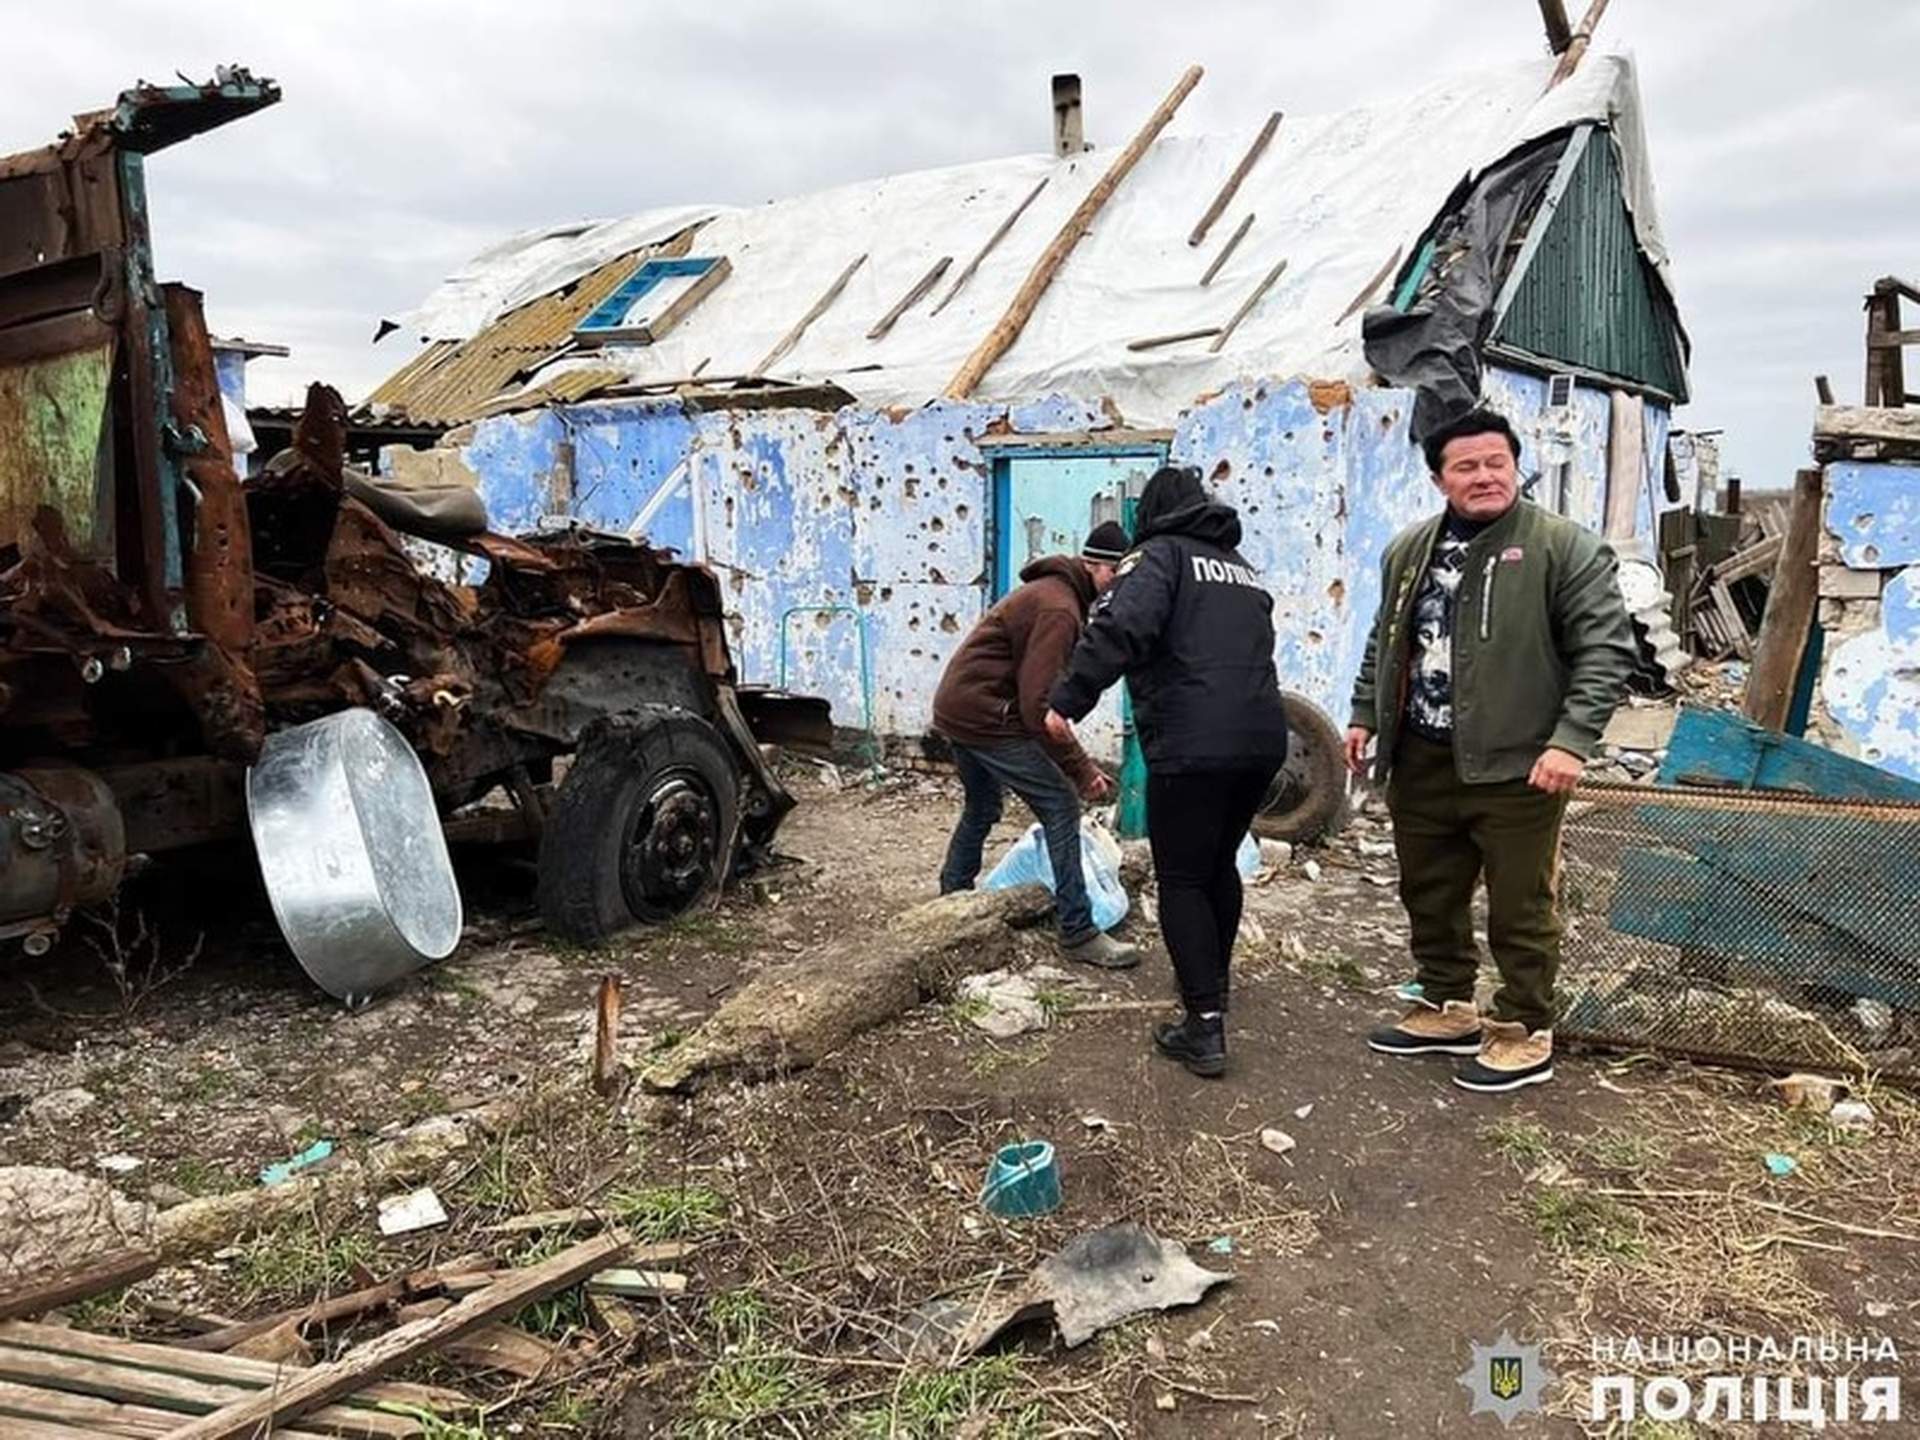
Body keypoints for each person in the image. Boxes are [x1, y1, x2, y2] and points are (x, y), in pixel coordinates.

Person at [1346, 408, 1636, 1093]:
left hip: (1520, 764)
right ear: (1440, 479)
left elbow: (1606, 652)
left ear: (1515, 465)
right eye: (1466, 467)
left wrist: (1571, 741)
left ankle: (1521, 1028)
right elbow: (1386, 642)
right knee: (1428, 890)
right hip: (1421, 756)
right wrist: (1364, 713)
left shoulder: (1563, 547)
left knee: (1520, 904)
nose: (1484, 477)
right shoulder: (1408, 550)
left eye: (1496, 463)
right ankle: (1448, 1007)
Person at [1046, 466, 1290, 1077]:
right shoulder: (1241, 567)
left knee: (1181, 876)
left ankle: (1202, 1028)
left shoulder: (1156, 557)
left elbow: (1119, 628)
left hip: (1192, 743)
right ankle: (1210, 990)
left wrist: (1068, 700)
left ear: (1149, 515)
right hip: (1262, 740)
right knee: (1217, 867)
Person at [932, 522, 1139, 969]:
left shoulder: (1057, 595)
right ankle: (1079, 930)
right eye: (1114, 578)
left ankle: (950, 902)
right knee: (1062, 806)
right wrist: (1081, 771)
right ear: (1094, 567)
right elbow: (1040, 709)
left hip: (961, 710)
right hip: (987, 717)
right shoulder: (1059, 609)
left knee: (983, 807)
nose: (1116, 589)